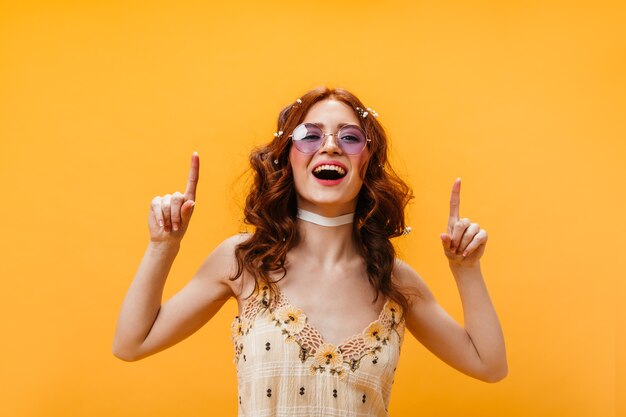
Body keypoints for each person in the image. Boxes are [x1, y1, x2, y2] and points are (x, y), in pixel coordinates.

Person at [112, 87, 508, 416]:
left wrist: (467, 268)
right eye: (310, 135)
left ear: (366, 162)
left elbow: (489, 366)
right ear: (287, 157)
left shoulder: (394, 280)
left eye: (350, 137)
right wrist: (163, 247)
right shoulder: (244, 262)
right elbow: (131, 343)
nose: (331, 147)